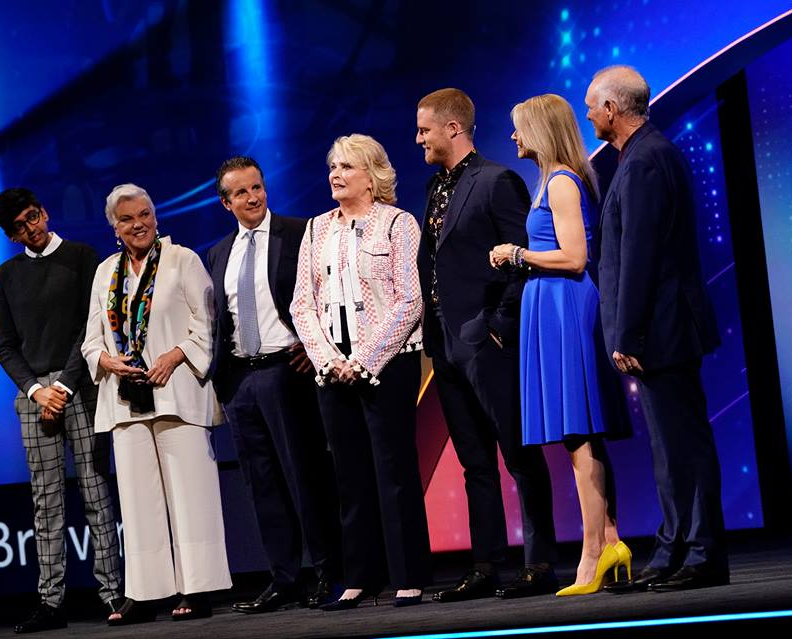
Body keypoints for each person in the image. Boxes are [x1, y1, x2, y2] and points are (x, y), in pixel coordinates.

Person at [585, 66, 729, 592]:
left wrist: (629, 335)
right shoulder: (638, 156)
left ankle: (700, 552)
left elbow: (642, 256)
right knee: (668, 448)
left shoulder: (648, 159)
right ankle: (674, 548)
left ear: (613, 109)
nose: (588, 115)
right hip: (657, 328)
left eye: (592, 106)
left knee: (683, 443)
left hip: (663, 329)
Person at [415, 88, 558, 601]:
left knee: (518, 454)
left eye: (425, 129)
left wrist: (499, 322)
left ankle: (540, 561)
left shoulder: (497, 180)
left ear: (453, 128)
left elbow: (524, 257)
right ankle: (484, 565)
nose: (419, 139)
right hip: (445, 345)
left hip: (488, 339)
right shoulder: (435, 187)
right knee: (474, 461)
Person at [489, 94, 633, 596]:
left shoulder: (565, 182)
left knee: (578, 435)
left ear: (540, 130)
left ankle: (592, 554)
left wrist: (517, 253)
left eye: (518, 128)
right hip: (548, 307)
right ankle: (612, 540)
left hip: (565, 306)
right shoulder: (548, 180)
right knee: (578, 434)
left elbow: (575, 258)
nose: (513, 138)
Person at [291, 134, 431, 609]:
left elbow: (411, 299)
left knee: (393, 471)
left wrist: (365, 360)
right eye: (333, 165)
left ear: (372, 177)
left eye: (347, 167)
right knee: (349, 475)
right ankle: (360, 576)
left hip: (388, 362)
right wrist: (330, 360)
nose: (336, 174)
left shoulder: (398, 224)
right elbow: (302, 304)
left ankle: (408, 575)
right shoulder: (315, 229)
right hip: (332, 368)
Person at [81, 183, 231, 624]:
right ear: (115, 228)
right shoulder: (106, 272)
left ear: (155, 215)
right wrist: (108, 359)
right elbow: (91, 342)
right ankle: (145, 593)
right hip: (126, 400)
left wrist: (174, 355)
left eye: (144, 214)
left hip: (177, 392)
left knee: (191, 493)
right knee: (137, 500)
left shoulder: (182, 260)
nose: (138, 224)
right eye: (127, 219)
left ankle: (196, 587)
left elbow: (208, 323)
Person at [206, 156, 342, 612]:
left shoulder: (300, 233)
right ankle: (284, 580)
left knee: (305, 477)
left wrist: (312, 343)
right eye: (241, 192)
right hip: (241, 381)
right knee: (261, 485)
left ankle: (328, 572)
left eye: (257, 187)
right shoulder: (220, 252)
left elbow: (326, 293)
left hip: (288, 373)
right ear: (226, 203)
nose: (253, 198)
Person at [0, 188, 123, 633]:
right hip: (34, 398)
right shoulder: (6, 275)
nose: (32, 228)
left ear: (45, 211)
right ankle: (51, 603)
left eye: (34, 217)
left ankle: (114, 595)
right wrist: (35, 391)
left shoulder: (83, 257)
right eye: (21, 227)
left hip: (81, 385)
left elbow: (92, 329)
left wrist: (62, 386)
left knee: (95, 490)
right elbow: (5, 346)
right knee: (46, 503)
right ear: (11, 236)